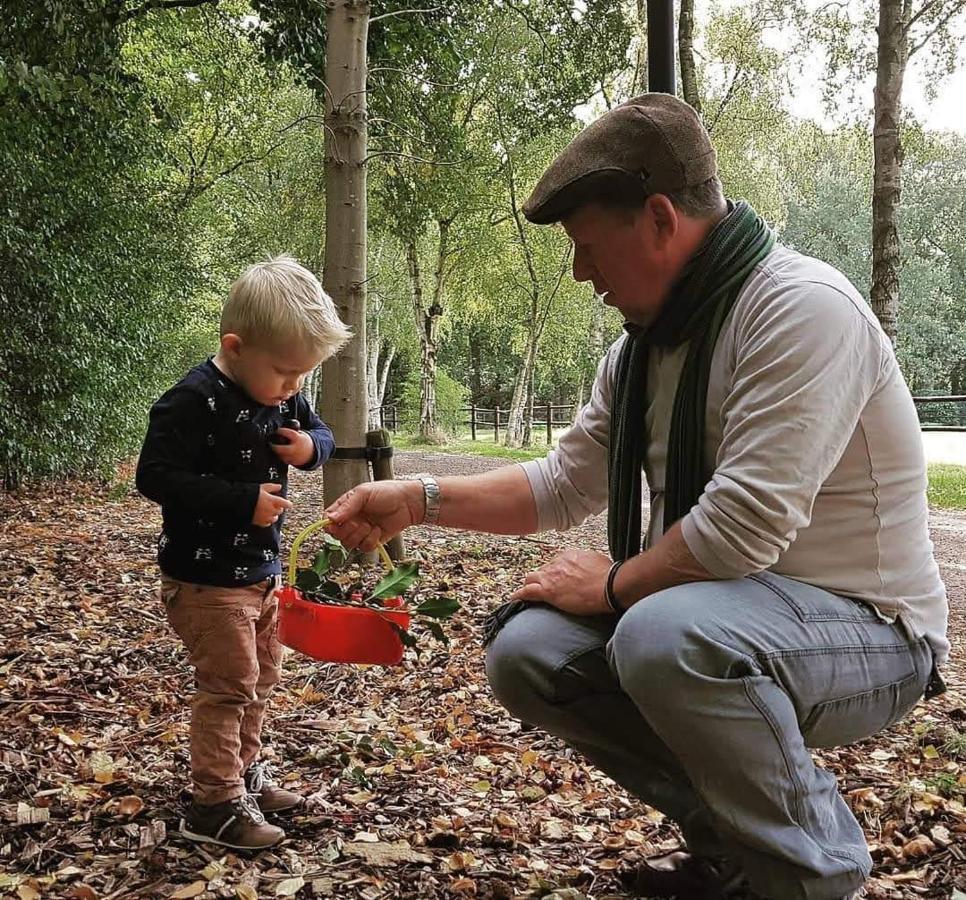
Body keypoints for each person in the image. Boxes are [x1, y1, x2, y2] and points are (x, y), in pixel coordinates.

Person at [324, 95, 949, 900]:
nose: (582, 274)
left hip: (872, 631)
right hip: (733, 619)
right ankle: (731, 848)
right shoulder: (643, 353)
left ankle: (812, 876)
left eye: (587, 248)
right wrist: (419, 496)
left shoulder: (800, 310)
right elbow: (562, 484)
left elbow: (742, 527)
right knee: (530, 656)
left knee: (661, 633)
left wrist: (613, 585)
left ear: (659, 220)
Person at [136, 255, 349, 849]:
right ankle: (214, 803)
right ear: (235, 346)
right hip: (205, 580)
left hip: (261, 573)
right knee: (229, 684)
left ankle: (243, 775)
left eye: (303, 375)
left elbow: (323, 433)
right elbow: (155, 477)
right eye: (286, 372)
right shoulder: (190, 401)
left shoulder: (281, 396)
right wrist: (240, 501)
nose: (294, 388)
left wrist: (310, 448)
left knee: (260, 680)